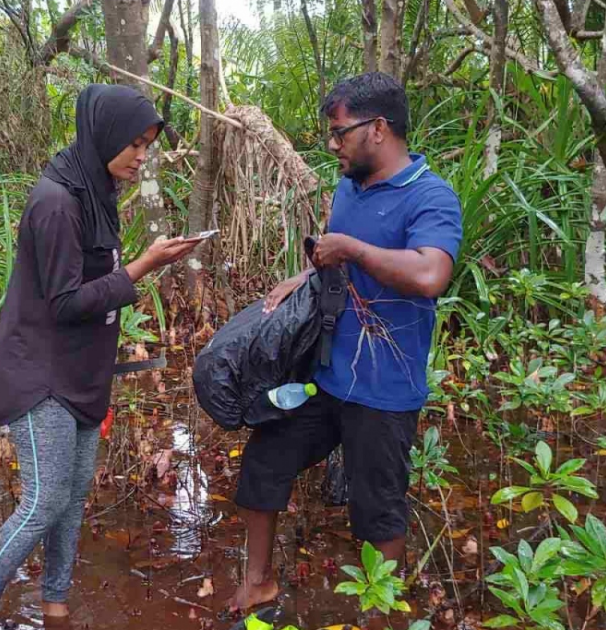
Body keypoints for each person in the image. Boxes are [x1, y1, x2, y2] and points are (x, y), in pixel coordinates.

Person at [0, 84, 200, 630]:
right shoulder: (57, 202)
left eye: (148, 146)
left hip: (82, 374)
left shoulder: (96, 191)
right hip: (41, 375)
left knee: (73, 494)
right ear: (105, 135)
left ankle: (56, 605)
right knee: (44, 499)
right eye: (134, 144)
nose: (141, 156)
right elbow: (65, 303)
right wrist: (142, 267)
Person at [229, 72, 463, 612]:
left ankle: (380, 611)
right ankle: (258, 582)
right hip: (327, 376)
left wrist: (352, 248)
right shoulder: (347, 187)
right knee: (264, 461)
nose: (332, 144)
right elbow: (336, 266)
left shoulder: (430, 196)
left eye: (340, 132)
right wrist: (304, 276)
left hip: (384, 390)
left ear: (378, 129)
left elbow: (430, 275)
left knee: (377, 510)